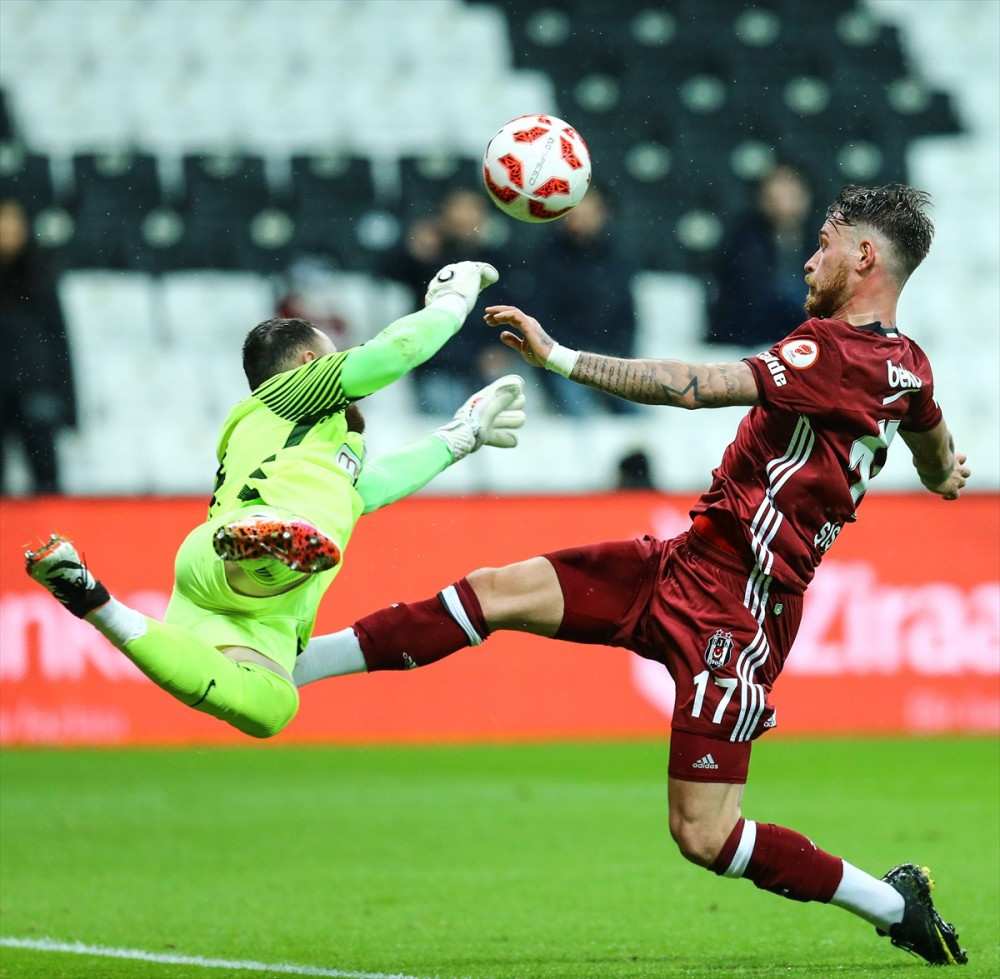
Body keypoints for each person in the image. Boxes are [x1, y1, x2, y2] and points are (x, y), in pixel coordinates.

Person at [292, 185, 971, 966]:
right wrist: (943, 475)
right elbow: (931, 438)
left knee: (705, 834)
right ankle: (294, 667)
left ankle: (894, 904)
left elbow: (693, 387)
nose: (810, 261)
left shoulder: (832, 350)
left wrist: (559, 357)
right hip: (686, 561)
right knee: (497, 590)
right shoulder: (906, 366)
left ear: (866, 256)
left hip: (740, 609)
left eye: (825, 244)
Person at [24, 261, 525, 740]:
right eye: (334, 354)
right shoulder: (291, 392)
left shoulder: (320, 448)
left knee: (272, 709)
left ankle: (95, 602)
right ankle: (267, 541)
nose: (343, 364)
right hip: (237, 562)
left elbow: (375, 487)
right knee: (286, 554)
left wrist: (459, 438)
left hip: (233, 606)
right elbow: (394, 353)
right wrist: (450, 302)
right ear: (309, 362)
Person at [380, 189, 513, 414]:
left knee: (481, 425)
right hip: (435, 361)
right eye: (458, 216)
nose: (465, 222)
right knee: (443, 425)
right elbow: (386, 271)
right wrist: (411, 249)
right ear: (444, 219)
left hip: (480, 364)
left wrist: (499, 346)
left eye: (471, 214)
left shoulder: (495, 260)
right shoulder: (430, 256)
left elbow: (509, 305)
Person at [525, 186, 639, 416]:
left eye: (589, 213)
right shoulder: (547, 259)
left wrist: (616, 358)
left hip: (610, 361)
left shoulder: (617, 258)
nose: (580, 221)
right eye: (574, 214)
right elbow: (543, 320)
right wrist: (581, 357)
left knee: (640, 418)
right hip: (563, 363)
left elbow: (626, 317)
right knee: (581, 415)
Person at [0, 197, 77, 494]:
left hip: (35, 389)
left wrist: (67, 403)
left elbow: (59, 340)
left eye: (12, 223)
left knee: (46, 481)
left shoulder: (40, 274)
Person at [706, 164, 814, 349]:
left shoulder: (820, 236)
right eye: (775, 197)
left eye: (791, 196)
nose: (784, 204)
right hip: (749, 332)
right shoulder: (744, 236)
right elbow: (749, 290)